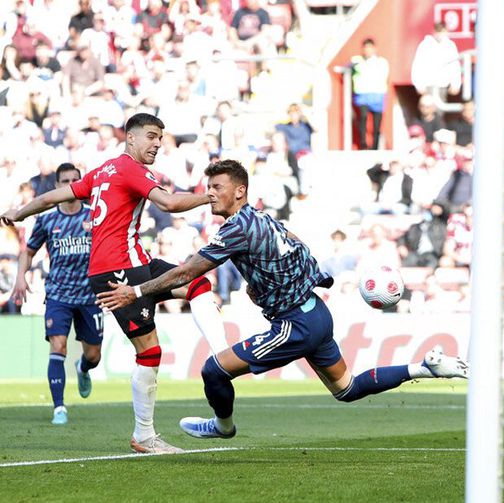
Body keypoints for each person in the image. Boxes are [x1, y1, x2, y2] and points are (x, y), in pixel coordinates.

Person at [96, 160, 468, 440]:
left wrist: (138, 290)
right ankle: (424, 368)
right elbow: (299, 244)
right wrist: (285, 281)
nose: (210, 193)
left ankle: (223, 427)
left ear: (239, 191)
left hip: (296, 325)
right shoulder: (263, 218)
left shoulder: (238, 227)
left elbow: (188, 272)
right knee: (347, 388)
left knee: (214, 370)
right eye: (208, 186)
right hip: (316, 313)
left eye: (218, 187)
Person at [1, 113, 228, 454]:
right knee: (149, 351)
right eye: (151, 136)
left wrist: (20, 212)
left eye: (160, 138)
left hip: (134, 261)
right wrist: (211, 198)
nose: (157, 144)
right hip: (119, 268)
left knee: (195, 283)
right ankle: (145, 435)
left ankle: (223, 359)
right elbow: (168, 203)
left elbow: (52, 197)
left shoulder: (104, 170)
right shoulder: (130, 169)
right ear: (131, 138)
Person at [11, 163, 101, 425]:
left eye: (75, 180)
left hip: (90, 296)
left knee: (93, 356)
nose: (70, 184)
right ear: (57, 186)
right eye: (65, 181)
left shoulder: (94, 216)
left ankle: (83, 369)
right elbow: (28, 252)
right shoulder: (47, 219)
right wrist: (20, 277)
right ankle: (59, 407)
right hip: (58, 294)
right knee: (58, 346)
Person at [351, 38, 389, 150]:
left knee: (377, 124)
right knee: (362, 118)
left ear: (374, 48)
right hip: (362, 94)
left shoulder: (381, 62)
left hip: (377, 94)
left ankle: (375, 146)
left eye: (369, 47)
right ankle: (362, 143)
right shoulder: (357, 61)